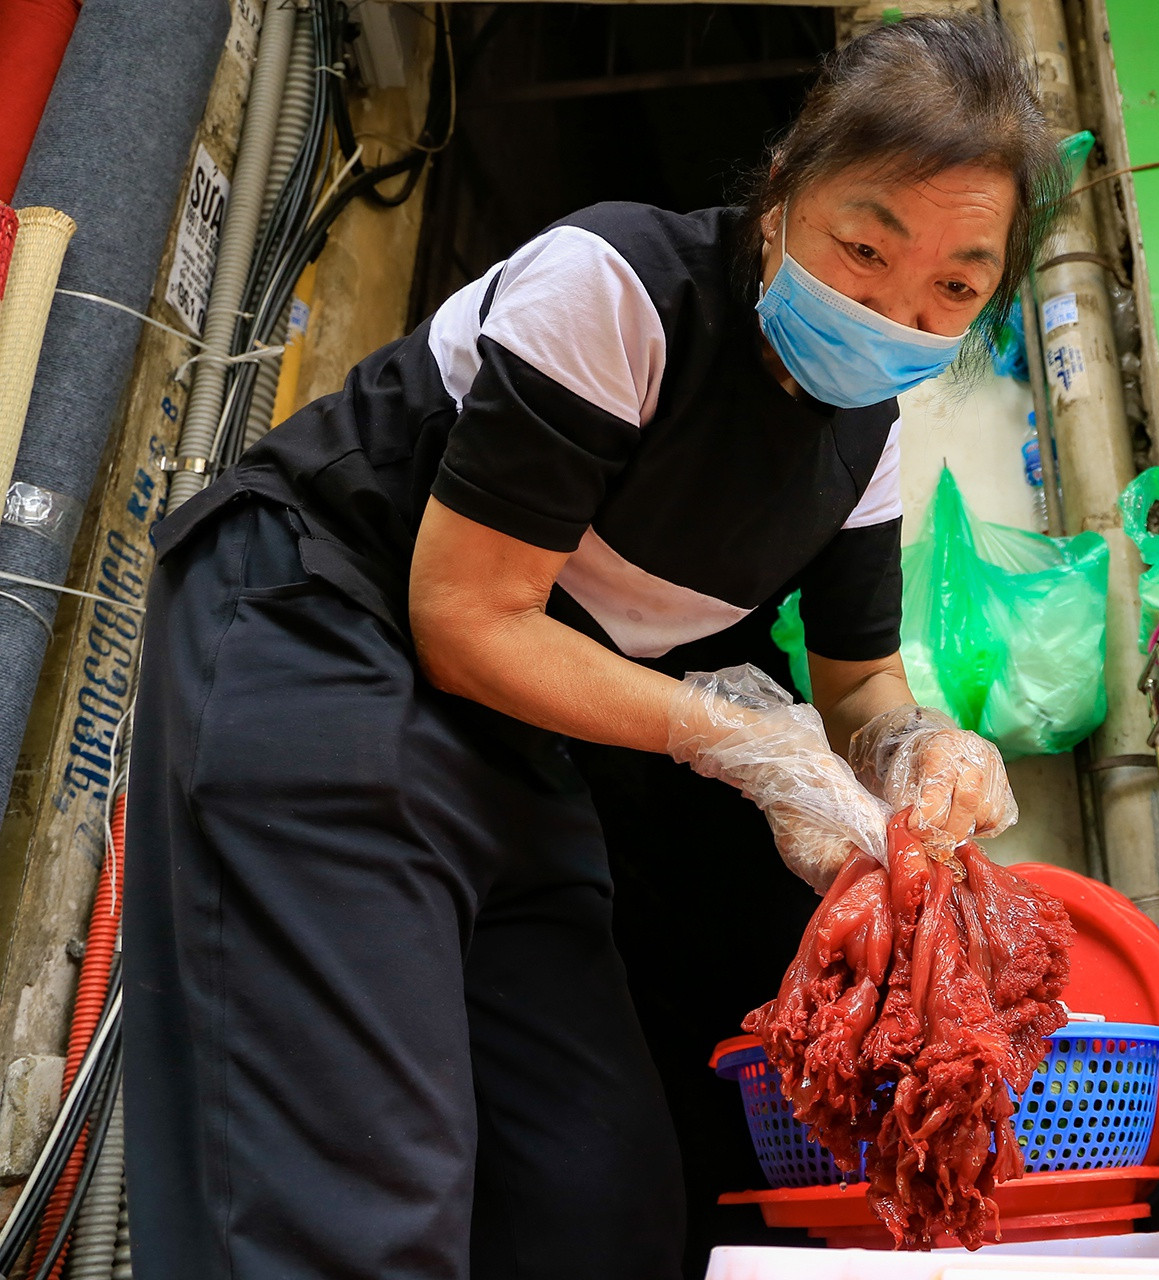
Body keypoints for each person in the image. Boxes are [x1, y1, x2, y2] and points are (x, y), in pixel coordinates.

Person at [123, 15, 1066, 1279]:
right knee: (361, 1183)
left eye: (956, 284)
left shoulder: (868, 441)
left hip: (519, 733)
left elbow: (857, 682)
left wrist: (919, 747)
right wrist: (738, 738)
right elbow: (469, 617)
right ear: (782, 192)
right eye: (864, 245)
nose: (899, 305)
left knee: (600, 1194)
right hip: (324, 632)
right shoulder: (617, 286)